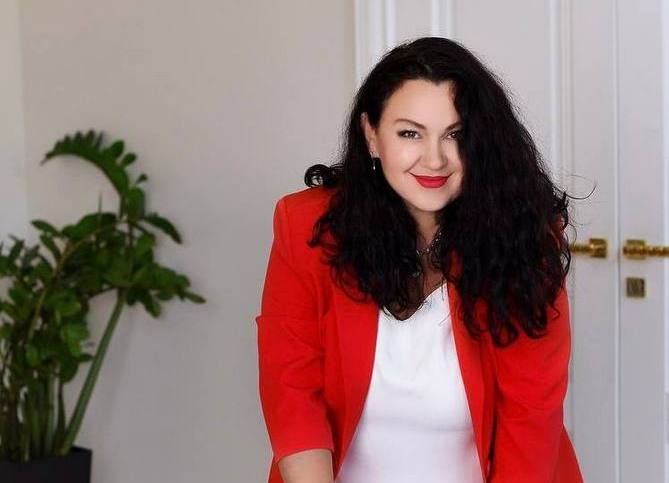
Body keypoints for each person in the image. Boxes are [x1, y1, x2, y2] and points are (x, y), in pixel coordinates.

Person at [255, 36, 584, 483]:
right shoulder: (306, 226)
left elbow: (531, 416)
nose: (435, 159)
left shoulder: (524, 240)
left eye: (456, 135)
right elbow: (291, 391)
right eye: (410, 133)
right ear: (372, 136)